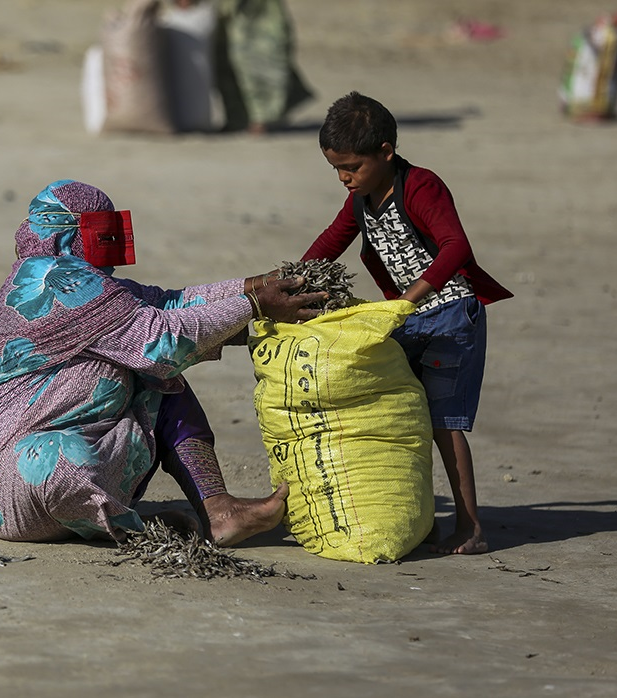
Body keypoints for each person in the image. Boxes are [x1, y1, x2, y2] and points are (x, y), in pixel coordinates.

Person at [0, 180, 326, 547]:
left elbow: (169, 302)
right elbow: (162, 339)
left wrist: (257, 286)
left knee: (147, 367)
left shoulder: (79, 281)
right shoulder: (56, 280)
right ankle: (143, 524)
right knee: (139, 377)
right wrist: (255, 305)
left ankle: (216, 508)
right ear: (69, 234)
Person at [300, 92, 513, 554]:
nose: (343, 178)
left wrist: (408, 299)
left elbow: (456, 247)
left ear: (385, 153)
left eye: (351, 167)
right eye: (335, 168)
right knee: (406, 418)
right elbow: (331, 240)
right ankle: (419, 519)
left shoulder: (420, 187)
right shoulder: (362, 198)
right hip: (409, 319)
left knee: (442, 423)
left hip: (451, 316)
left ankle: (471, 526)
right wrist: (293, 281)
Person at [215, 0, 313, 133]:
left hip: (261, 21)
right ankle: (238, 119)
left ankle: (262, 119)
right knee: (227, 65)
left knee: (260, 66)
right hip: (229, 20)